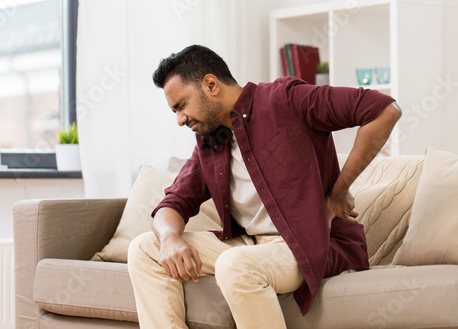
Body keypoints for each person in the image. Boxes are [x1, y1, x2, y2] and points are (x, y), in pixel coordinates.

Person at [128, 44, 401, 329]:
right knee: (145, 248)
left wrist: (339, 191)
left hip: (310, 242)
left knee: (234, 265)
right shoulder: (210, 141)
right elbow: (172, 203)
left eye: (181, 106)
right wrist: (170, 237)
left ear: (210, 84)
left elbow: (384, 110)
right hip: (251, 246)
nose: (180, 120)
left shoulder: (286, 99)